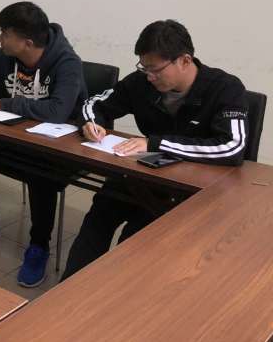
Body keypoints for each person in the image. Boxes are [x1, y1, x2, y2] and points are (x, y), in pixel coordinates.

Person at [61, 19, 248, 280]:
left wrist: (154, 143)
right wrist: (92, 124)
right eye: (144, 67)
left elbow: (231, 147)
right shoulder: (141, 83)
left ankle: (112, 294)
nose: (149, 76)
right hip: (139, 174)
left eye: (155, 69)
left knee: (133, 242)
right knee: (98, 218)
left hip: (186, 191)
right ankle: (70, 288)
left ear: (184, 60)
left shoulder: (225, 88)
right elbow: (94, 104)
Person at [0, 2, 86, 288]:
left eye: (5, 34)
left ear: (27, 42)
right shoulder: (6, 55)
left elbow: (58, 110)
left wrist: (4, 103)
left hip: (57, 146)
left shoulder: (67, 63)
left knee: (40, 172)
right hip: (15, 135)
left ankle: (39, 246)